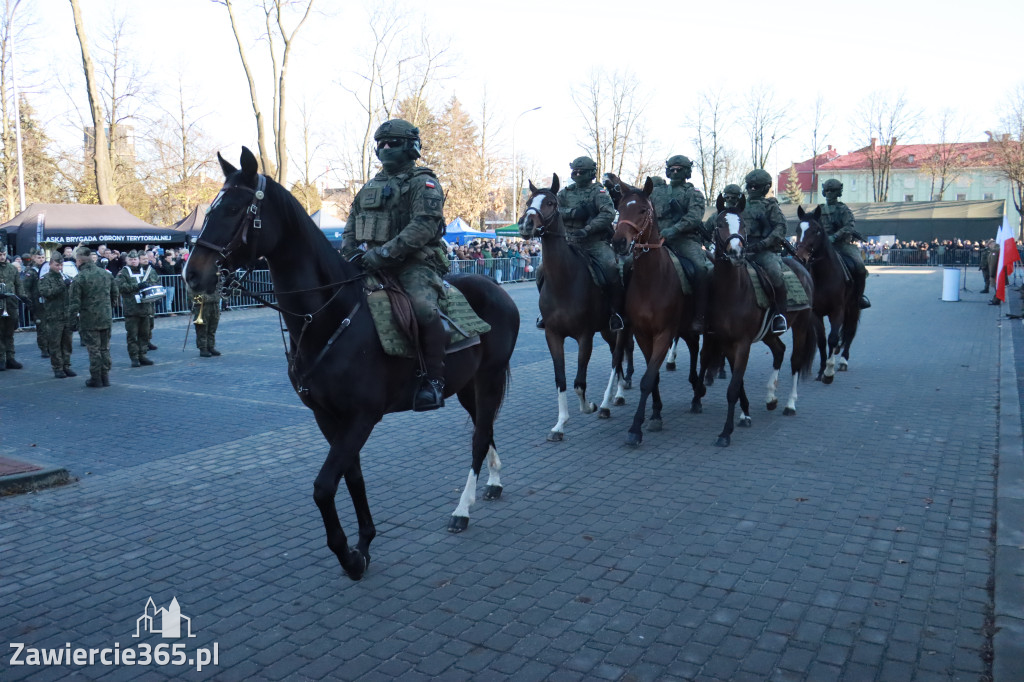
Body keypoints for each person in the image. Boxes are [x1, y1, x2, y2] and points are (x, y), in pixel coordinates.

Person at [341, 118, 450, 411]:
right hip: (369, 264)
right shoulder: (369, 186)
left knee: (423, 308)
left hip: (414, 264)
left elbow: (423, 226)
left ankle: (434, 380)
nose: (385, 148)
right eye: (381, 144)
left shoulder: (423, 183)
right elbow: (351, 224)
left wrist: (384, 254)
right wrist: (349, 253)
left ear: (411, 147)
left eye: (393, 143)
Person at [536, 155, 621, 331]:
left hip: (594, 242)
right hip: (570, 242)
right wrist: (575, 212)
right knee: (541, 270)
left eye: (581, 171)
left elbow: (608, 214)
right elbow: (555, 210)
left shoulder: (599, 192)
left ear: (590, 173)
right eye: (575, 171)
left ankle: (615, 312)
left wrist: (588, 228)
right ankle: (546, 310)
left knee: (612, 267)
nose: (577, 174)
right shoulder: (565, 193)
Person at [651, 155, 709, 332]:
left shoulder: (694, 193)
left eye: (679, 169)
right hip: (657, 240)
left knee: (701, 269)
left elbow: (694, 217)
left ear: (687, 172)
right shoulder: (656, 192)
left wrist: (674, 230)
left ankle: (700, 316)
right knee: (630, 264)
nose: (675, 172)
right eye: (672, 169)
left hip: (684, 240)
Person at [740, 169, 789, 334]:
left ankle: (779, 314)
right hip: (740, 250)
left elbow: (780, 228)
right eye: (750, 186)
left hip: (763, 251)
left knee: (775, 273)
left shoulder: (771, 206)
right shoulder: (739, 205)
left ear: (765, 188)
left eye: (756, 186)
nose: (752, 189)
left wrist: (763, 244)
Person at [68, 246, 118, 387]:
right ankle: (105, 376)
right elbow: (115, 294)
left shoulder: (79, 278)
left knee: (94, 349)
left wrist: (72, 321)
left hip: (89, 319)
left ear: (79, 261)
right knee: (105, 348)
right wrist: (108, 308)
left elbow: (74, 303)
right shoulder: (106, 274)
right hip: (106, 317)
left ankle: (96, 378)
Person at [819, 178, 871, 309]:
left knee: (859, 267)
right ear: (823, 192)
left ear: (838, 192)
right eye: (827, 190)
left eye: (833, 191)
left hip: (842, 245)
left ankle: (859, 297)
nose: (829, 193)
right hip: (822, 245)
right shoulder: (819, 210)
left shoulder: (843, 210)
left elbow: (849, 226)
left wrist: (835, 236)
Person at [116, 250, 158, 367]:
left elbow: (153, 282)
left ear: (138, 260)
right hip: (131, 309)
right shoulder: (123, 272)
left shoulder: (145, 271)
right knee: (132, 335)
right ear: (127, 260)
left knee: (144, 334)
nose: (133, 261)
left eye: (135, 259)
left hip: (145, 308)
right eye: (131, 259)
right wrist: (137, 286)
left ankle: (142, 355)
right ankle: (134, 357)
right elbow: (120, 287)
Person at [38, 254, 77, 378]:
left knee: (67, 343)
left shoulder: (65, 277)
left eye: (61, 265)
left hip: (66, 315)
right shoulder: (45, 278)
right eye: (57, 265)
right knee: (55, 343)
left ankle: (66, 366)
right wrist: (62, 286)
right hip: (54, 316)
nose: (59, 267)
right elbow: (46, 293)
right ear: (50, 264)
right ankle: (57, 367)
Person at [0, 244, 25, 370]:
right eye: (0, 255)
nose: (2, 257)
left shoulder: (12, 268)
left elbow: (18, 284)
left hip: (10, 304)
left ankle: (10, 358)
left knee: (9, 333)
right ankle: (1, 359)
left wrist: (23, 296)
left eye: (4, 254)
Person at [20, 248, 47, 358]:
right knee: (41, 328)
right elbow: (26, 289)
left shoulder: (47, 270)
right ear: (34, 258)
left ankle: (50, 346)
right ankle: (44, 348)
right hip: (37, 304)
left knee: (50, 326)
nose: (41, 259)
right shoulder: (31, 272)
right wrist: (30, 305)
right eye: (38, 257)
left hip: (48, 303)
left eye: (42, 257)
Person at [190, 283, 222, 357]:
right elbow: (192, 291)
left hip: (214, 303)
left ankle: (211, 346)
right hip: (203, 305)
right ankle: (203, 348)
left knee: (212, 327)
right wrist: (197, 301)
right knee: (202, 327)